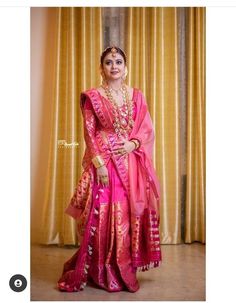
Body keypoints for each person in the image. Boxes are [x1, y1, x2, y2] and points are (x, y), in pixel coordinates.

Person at [57, 46, 162, 293]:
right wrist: (99, 165)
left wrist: (132, 143)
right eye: (108, 62)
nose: (114, 66)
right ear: (101, 69)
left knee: (126, 214)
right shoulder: (93, 97)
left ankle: (124, 268)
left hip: (130, 162)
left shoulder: (137, 96)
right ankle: (101, 270)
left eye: (118, 62)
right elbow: (90, 134)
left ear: (126, 69)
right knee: (103, 215)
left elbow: (146, 128)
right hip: (104, 161)